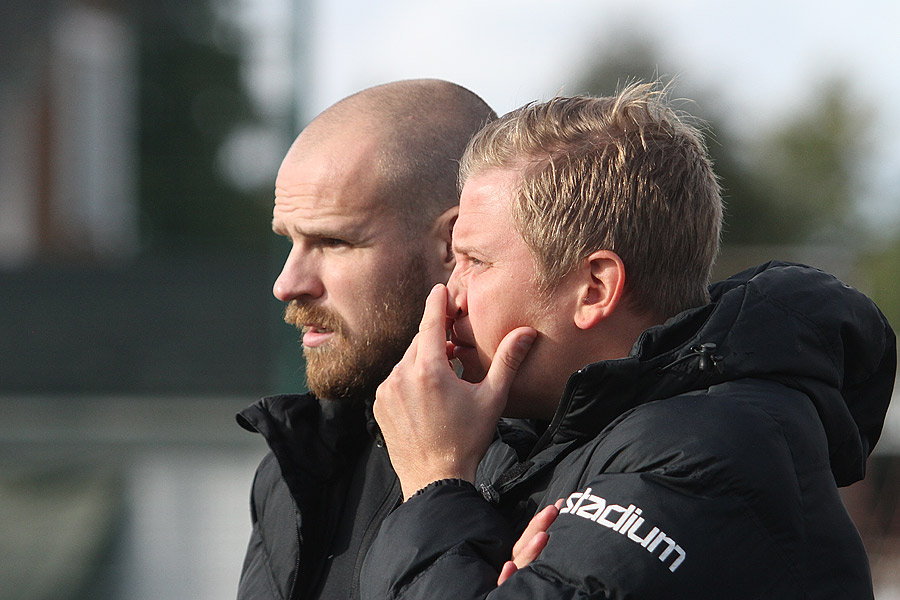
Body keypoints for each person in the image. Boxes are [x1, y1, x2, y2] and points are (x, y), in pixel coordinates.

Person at [362, 83, 897, 598]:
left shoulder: (707, 456)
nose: (447, 295)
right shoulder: (531, 436)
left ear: (594, 289)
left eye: (475, 262)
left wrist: (435, 482)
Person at [234, 79, 496, 600]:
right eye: (289, 240)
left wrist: (440, 491)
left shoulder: (565, 468)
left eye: (333, 241)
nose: (287, 284)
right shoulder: (296, 468)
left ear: (455, 241)